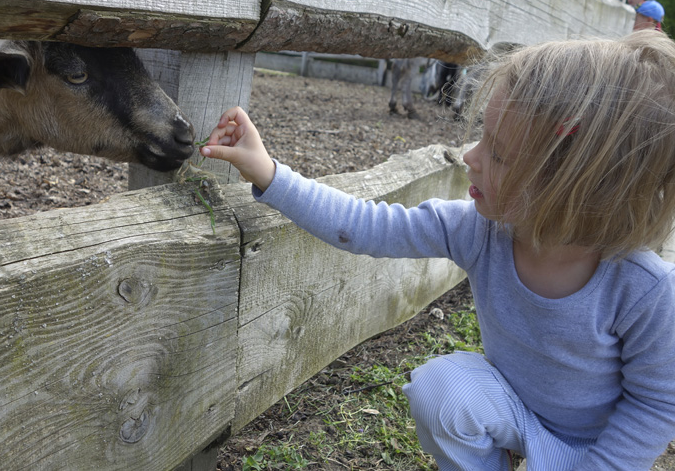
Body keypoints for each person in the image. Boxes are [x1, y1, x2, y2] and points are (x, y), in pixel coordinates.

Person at [200, 29, 675, 470]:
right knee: (441, 389)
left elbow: (655, 403)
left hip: (593, 453)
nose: (470, 156)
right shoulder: (479, 231)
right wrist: (268, 172)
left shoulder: (644, 289)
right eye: (482, 136)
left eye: (498, 153)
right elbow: (365, 226)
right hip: (516, 415)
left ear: (576, 186)